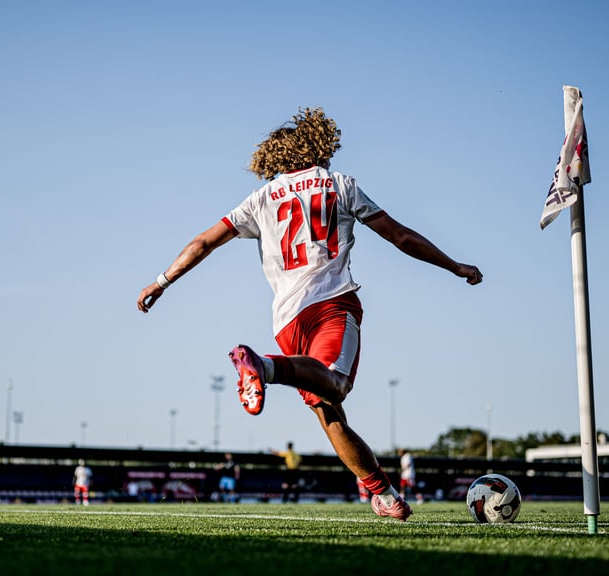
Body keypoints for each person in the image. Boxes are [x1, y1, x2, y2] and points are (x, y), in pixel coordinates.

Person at [137, 107, 483, 521]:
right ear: (319, 145)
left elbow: (203, 242)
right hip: (331, 305)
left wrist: (160, 281)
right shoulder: (340, 184)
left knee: (330, 415)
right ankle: (263, 367)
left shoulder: (261, 198)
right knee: (336, 386)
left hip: (286, 321)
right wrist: (455, 266)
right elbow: (402, 237)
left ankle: (385, 495)